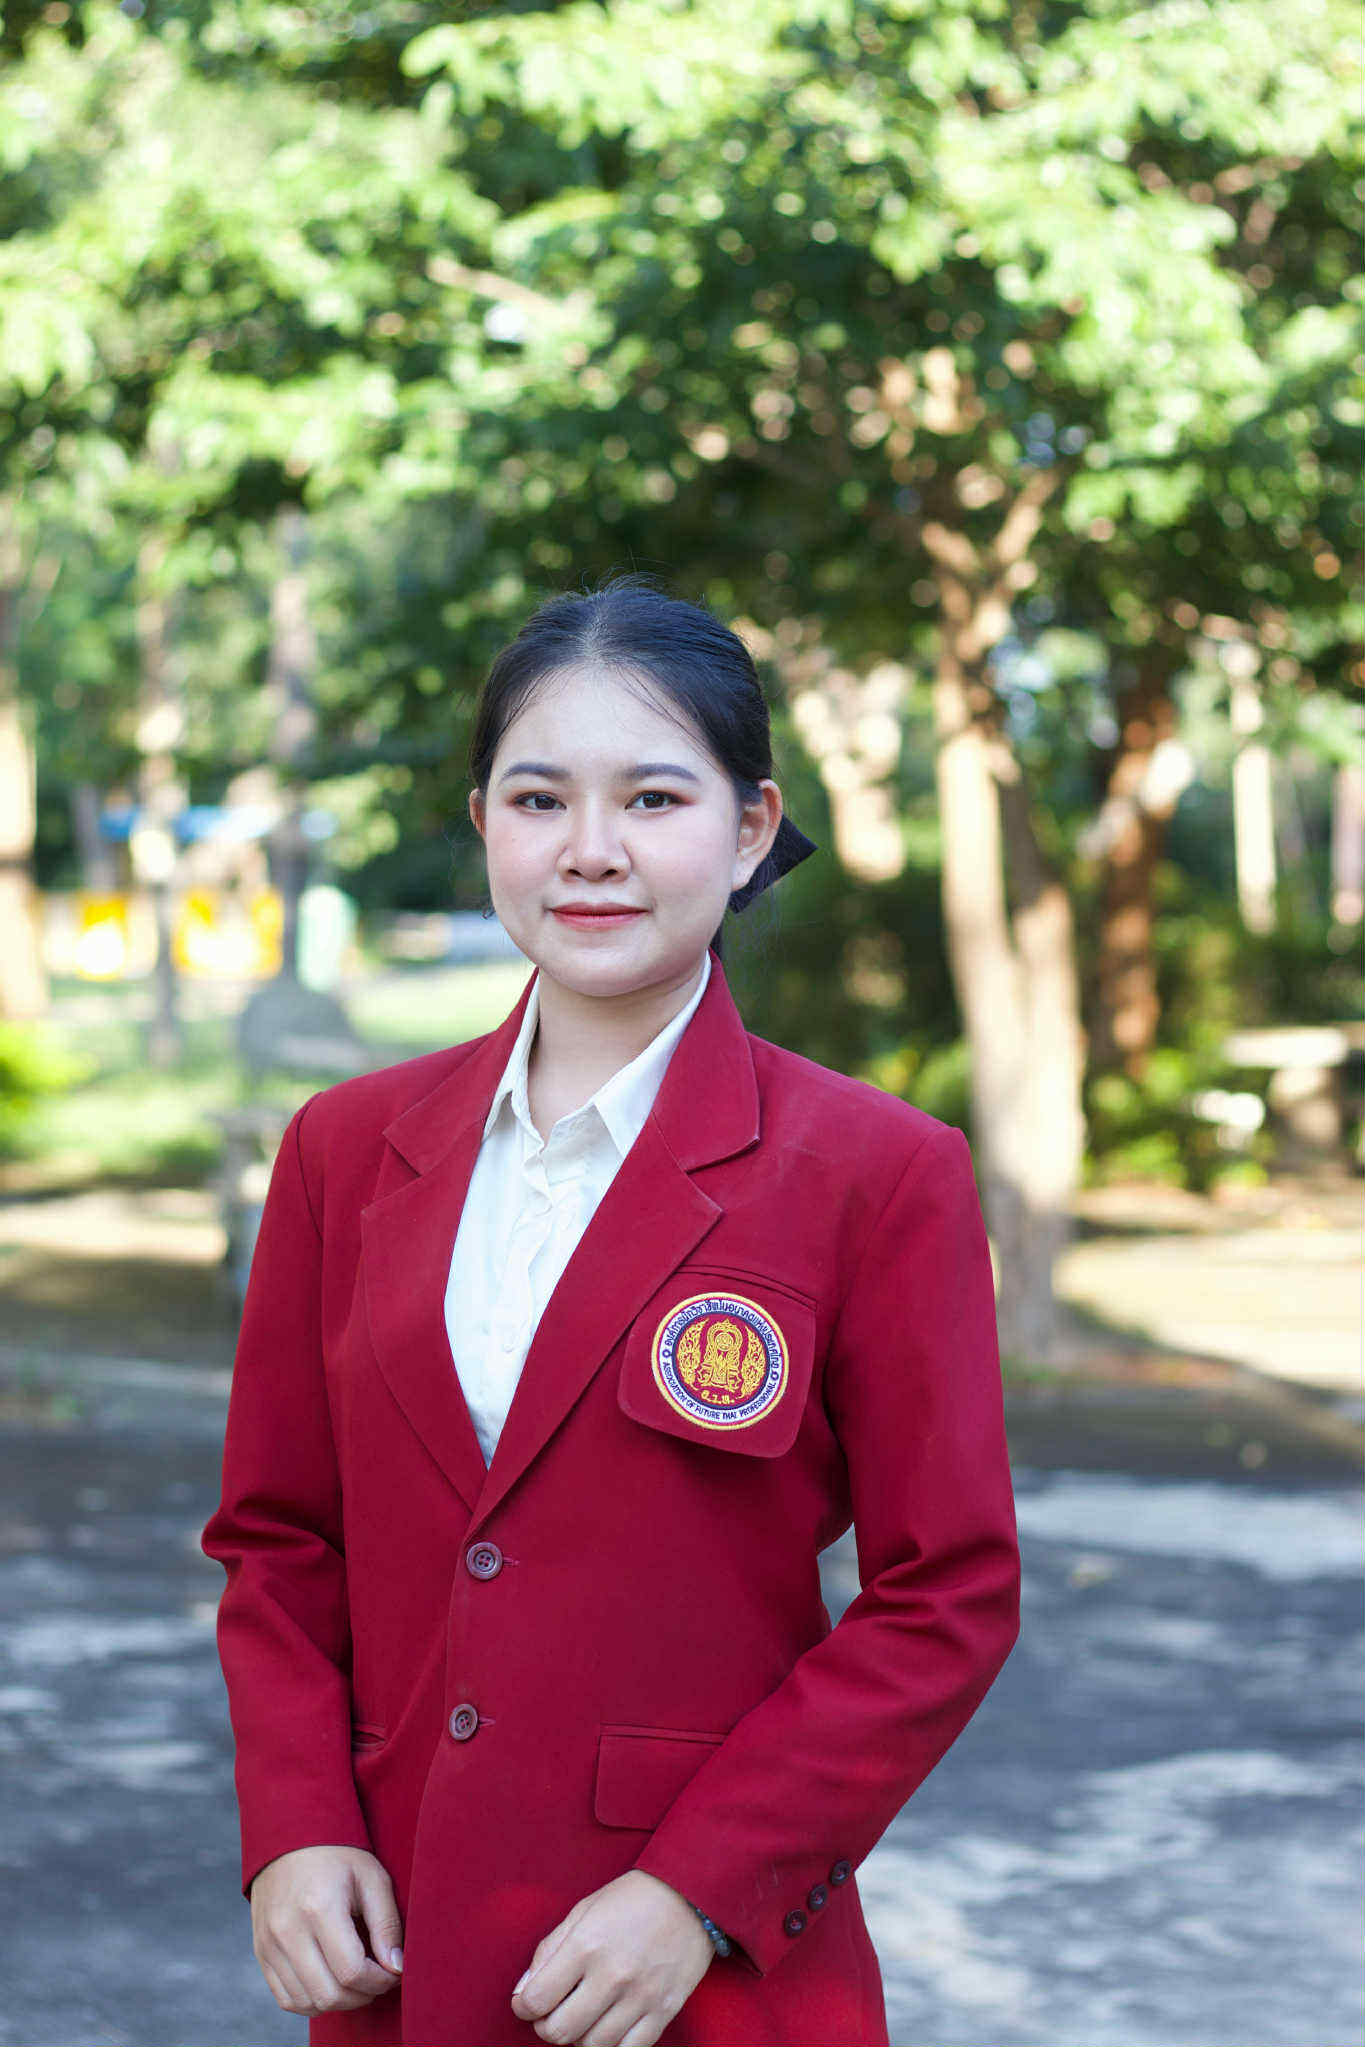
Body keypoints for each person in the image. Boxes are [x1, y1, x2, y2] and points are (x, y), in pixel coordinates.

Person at [201, 571, 1020, 2047]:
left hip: (699, 1975)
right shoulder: (345, 1150)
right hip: (398, 1942)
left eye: (652, 798)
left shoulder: (875, 1171)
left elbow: (942, 1592)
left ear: (751, 828)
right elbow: (279, 1537)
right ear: (482, 824)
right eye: (539, 801)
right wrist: (296, 1824)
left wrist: (698, 1893)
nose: (590, 851)